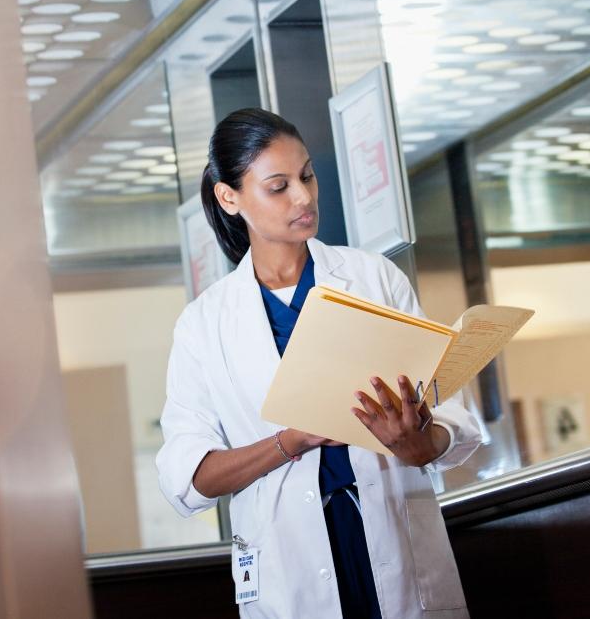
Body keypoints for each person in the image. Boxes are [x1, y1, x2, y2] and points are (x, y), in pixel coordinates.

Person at [156, 108, 482, 618]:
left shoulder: (375, 281)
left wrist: (419, 444)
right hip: (290, 570)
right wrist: (292, 439)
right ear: (230, 197)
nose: (304, 197)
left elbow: (450, 416)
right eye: (278, 186)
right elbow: (191, 480)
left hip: (394, 545)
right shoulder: (204, 324)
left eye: (307, 175)